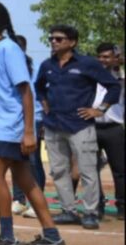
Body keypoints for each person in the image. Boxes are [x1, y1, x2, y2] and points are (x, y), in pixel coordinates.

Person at [0, 1, 67, 245]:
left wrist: (29, 131)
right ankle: (52, 236)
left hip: (12, 126)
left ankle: (8, 238)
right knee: (26, 180)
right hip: (3, 127)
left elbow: (26, 91)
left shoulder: (9, 49)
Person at [35, 25, 120, 230]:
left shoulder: (87, 64)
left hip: (80, 125)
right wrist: (44, 102)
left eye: (59, 39)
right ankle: (68, 211)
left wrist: (100, 110)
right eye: (52, 38)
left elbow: (113, 86)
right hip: (54, 125)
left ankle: (90, 212)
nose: (53, 42)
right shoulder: (47, 65)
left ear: (72, 42)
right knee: (59, 171)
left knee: (88, 171)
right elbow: (38, 86)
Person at [11, 35, 47, 218]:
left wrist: (42, 120)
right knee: (16, 160)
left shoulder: (37, 68)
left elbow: (41, 95)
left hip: (34, 119)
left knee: (33, 161)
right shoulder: (8, 68)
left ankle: (36, 201)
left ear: (24, 49)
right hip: (14, 121)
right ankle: (19, 200)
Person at [92, 42, 124, 221]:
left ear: (115, 58)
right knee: (92, 169)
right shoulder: (91, 75)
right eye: (99, 57)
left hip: (114, 128)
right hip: (92, 127)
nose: (102, 60)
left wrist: (118, 65)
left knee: (120, 170)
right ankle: (98, 205)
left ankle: (122, 206)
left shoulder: (120, 76)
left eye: (106, 57)